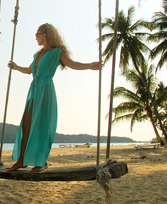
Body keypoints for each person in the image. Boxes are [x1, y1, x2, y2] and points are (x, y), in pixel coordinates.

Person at [6, 23, 102, 172]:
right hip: (34, 90)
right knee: (26, 125)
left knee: (40, 127)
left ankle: (41, 162)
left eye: (36, 34)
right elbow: (29, 71)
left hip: (46, 90)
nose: (35, 37)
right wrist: (16, 66)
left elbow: (72, 64)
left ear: (44, 35)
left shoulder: (57, 52)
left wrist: (89, 65)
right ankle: (22, 160)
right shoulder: (38, 54)